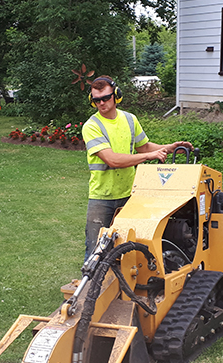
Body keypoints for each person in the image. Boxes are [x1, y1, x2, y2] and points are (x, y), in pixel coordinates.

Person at [82, 75, 193, 258]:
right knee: (96, 250)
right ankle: (92, 287)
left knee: (129, 248)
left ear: (116, 95)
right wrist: (148, 156)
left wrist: (171, 148)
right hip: (102, 197)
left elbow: (145, 146)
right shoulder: (92, 126)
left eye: (105, 98)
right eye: (96, 100)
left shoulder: (129, 119)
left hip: (130, 195)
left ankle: (124, 285)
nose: (101, 103)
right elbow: (113, 160)